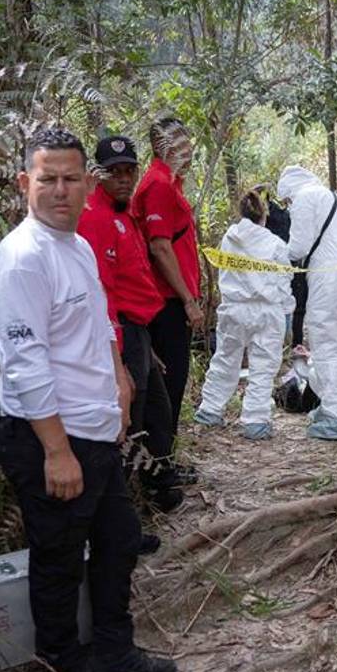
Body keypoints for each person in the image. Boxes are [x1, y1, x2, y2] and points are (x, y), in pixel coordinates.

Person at [0, 128, 176, 672]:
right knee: (59, 558)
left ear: (86, 183)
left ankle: (114, 648)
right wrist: (56, 450)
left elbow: (96, 325)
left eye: (71, 179)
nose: (60, 190)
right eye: (48, 179)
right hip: (51, 438)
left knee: (118, 540)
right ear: (25, 184)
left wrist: (120, 378)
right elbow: (25, 364)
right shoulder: (22, 259)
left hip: (95, 433)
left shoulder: (78, 247)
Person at [76, 134, 184, 515]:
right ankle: (120, 518)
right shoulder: (96, 218)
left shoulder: (124, 215)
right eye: (114, 172)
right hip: (120, 333)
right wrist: (118, 360)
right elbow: (102, 292)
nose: (123, 179)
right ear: (98, 174)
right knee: (129, 421)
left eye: (128, 171)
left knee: (157, 411)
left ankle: (158, 487)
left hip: (139, 331)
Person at [193, 190, 294, 440]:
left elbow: (223, 273)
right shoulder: (275, 244)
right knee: (263, 365)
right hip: (266, 310)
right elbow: (284, 281)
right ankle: (255, 421)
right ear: (265, 214)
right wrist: (287, 310)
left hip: (233, 307)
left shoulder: (229, 238)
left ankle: (210, 409)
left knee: (226, 358)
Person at [275, 165, 337, 440]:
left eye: (286, 201)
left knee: (325, 345)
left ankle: (336, 416)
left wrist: (275, 253)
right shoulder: (336, 198)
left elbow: (298, 247)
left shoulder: (304, 199)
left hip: (326, 279)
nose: (287, 206)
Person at [132, 118, 202, 437]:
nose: (187, 150)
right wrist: (188, 300)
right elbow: (159, 247)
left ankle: (166, 456)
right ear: (164, 146)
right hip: (167, 301)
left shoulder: (171, 181)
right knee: (168, 383)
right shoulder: (158, 184)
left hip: (174, 299)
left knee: (173, 382)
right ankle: (161, 464)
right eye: (181, 143)